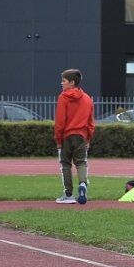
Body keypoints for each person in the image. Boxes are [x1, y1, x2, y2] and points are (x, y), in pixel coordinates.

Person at [54, 68, 95, 205]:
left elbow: (60, 121)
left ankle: (68, 194)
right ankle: (83, 183)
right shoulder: (88, 99)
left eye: (64, 81)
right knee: (81, 162)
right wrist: (88, 138)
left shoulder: (63, 97)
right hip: (82, 135)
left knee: (65, 164)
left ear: (71, 82)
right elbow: (91, 123)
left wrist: (58, 140)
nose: (61, 83)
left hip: (67, 135)